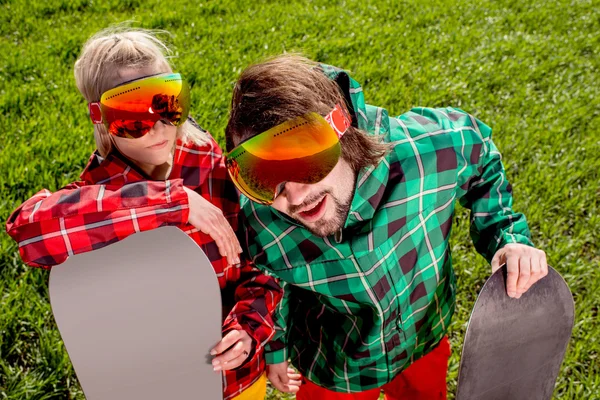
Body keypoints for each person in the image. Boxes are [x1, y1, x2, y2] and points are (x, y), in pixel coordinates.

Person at [224, 55, 549, 399]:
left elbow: (480, 155)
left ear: (341, 123)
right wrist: (274, 350)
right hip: (336, 367)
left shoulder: (427, 150)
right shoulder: (262, 223)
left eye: (305, 157)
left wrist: (506, 237)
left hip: (422, 339)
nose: (294, 194)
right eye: (264, 178)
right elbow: (269, 284)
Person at [5, 28, 281, 400]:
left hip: (239, 380)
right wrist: (170, 201)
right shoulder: (97, 194)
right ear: (99, 116)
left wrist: (249, 328)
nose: (158, 127)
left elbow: (261, 265)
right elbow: (29, 232)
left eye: (166, 104)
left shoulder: (207, 160)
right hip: (153, 384)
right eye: (133, 115)